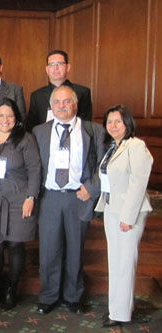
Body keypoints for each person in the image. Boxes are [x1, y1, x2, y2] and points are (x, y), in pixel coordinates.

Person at [32, 85, 104, 315]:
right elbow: (34, 168)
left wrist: (91, 188)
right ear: (51, 106)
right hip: (50, 198)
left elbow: (104, 165)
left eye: (66, 102)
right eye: (57, 102)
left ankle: (74, 296)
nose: (61, 106)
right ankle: (49, 295)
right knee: (48, 250)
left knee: (75, 249)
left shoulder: (94, 131)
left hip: (78, 197)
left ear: (75, 104)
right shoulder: (39, 131)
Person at [0, 98, 41, 310]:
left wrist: (30, 198)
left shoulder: (26, 139)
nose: (5, 120)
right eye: (1, 115)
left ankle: (11, 289)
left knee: (15, 245)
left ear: (16, 119)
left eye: (10, 115)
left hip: (18, 199)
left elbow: (35, 170)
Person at [94, 105, 153, 328]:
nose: (113, 125)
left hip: (129, 212)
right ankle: (117, 308)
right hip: (112, 209)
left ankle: (120, 314)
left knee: (125, 263)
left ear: (127, 123)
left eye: (118, 121)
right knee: (115, 261)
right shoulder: (113, 147)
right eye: (109, 122)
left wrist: (127, 217)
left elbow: (138, 183)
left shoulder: (136, 146)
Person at [26, 49, 92, 130]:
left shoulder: (82, 92)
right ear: (47, 69)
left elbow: (86, 125)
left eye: (60, 64)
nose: (55, 68)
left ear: (68, 67)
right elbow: (31, 127)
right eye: (52, 64)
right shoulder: (37, 96)